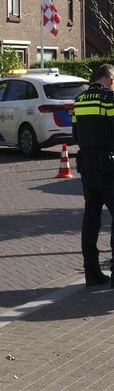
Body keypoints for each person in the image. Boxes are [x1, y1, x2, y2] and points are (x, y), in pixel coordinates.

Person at [72, 63, 114, 287]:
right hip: (109, 168)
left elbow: (75, 135)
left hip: (87, 169)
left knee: (91, 220)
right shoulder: (109, 99)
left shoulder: (79, 101)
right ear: (110, 79)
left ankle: (92, 272)